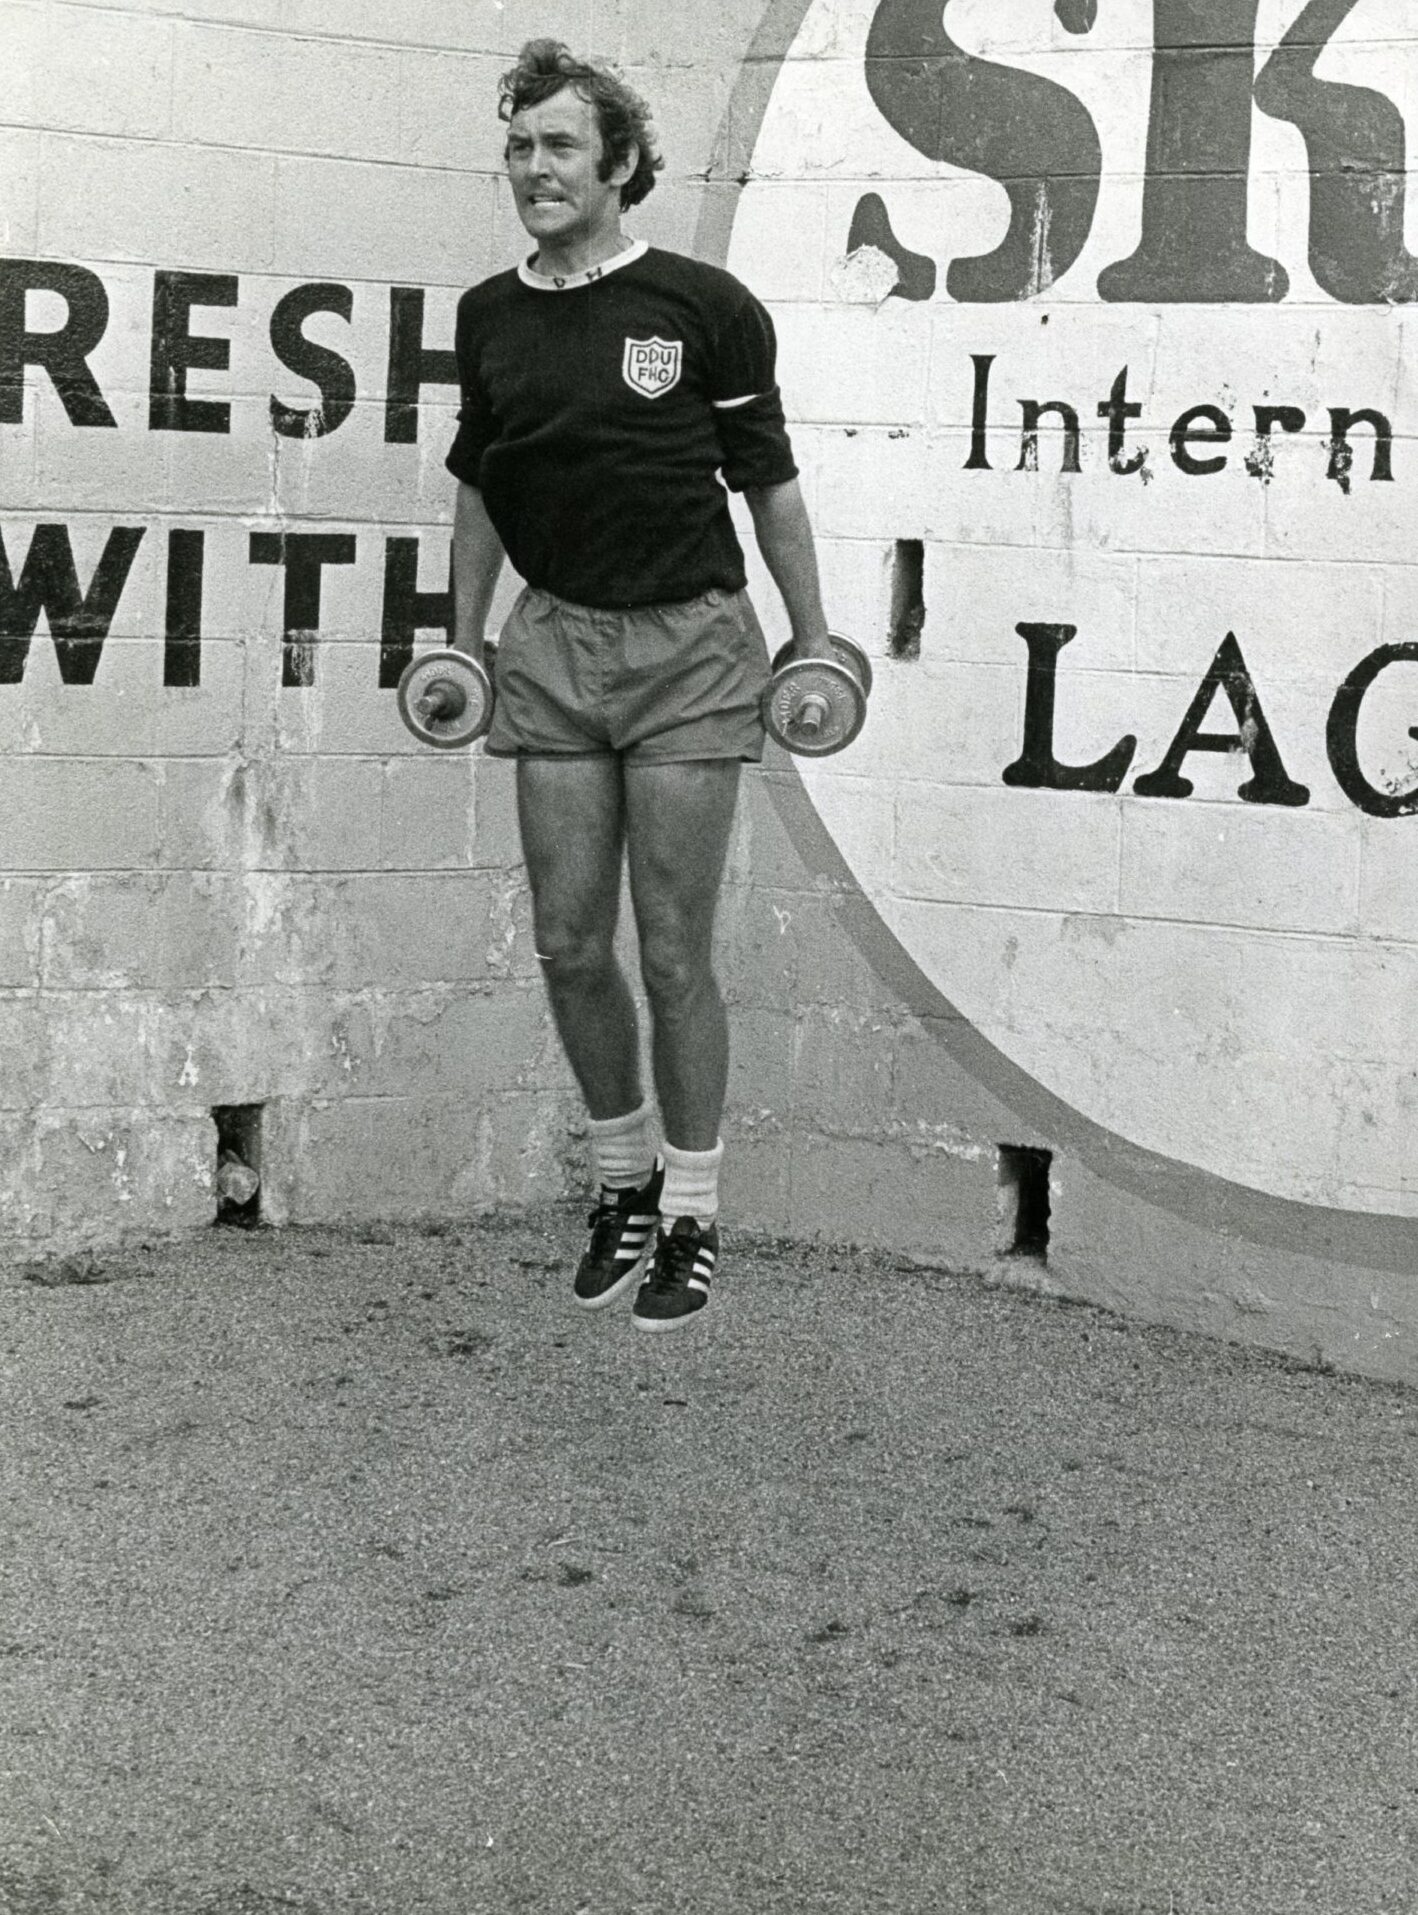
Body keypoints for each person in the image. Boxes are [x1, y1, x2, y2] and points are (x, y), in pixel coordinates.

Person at [445, 38, 833, 1331]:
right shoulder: (489, 315)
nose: (532, 168)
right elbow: (480, 488)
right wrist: (462, 637)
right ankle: (619, 1176)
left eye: (558, 146)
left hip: (687, 652)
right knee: (566, 939)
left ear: (618, 163)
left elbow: (766, 485)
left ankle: (691, 1205)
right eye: (517, 147)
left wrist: (813, 639)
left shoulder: (701, 306)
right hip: (550, 646)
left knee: (671, 952)